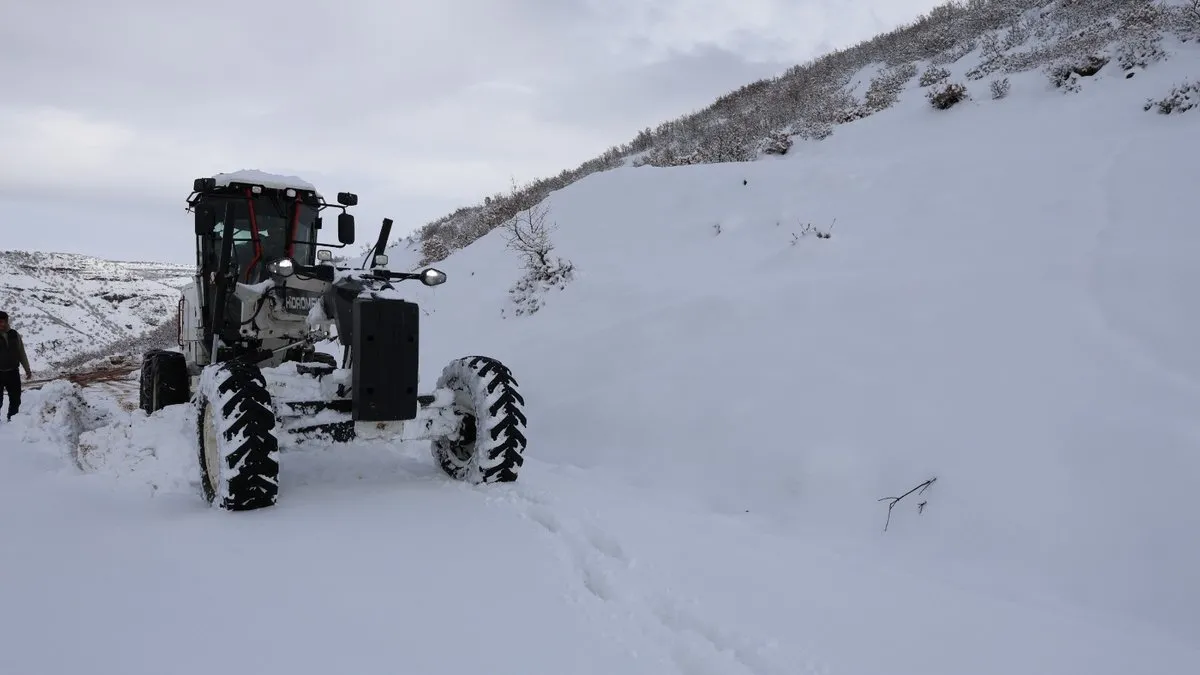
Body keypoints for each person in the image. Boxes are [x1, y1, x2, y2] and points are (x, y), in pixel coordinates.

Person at [0, 311, 33, 421]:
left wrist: (27, 369)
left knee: (15, 399)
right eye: (0, 322)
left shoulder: (14, 334)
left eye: (3, 321)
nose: (2, 324)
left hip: (13, 372)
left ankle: (12, 421)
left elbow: (21, 353)